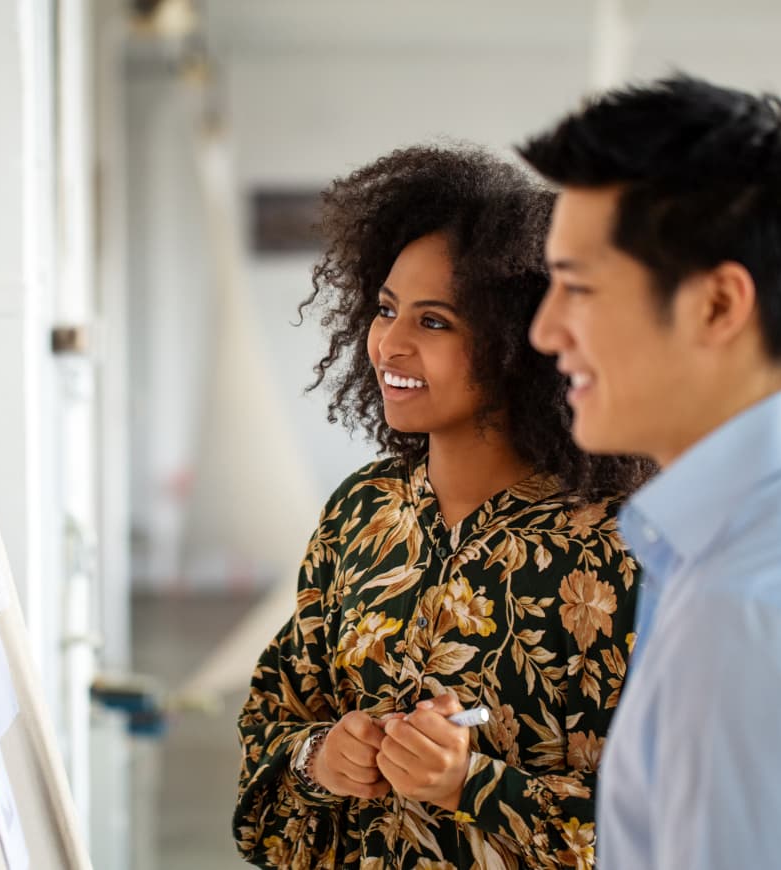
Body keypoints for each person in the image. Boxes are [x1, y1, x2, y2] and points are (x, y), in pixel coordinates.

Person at [233, 144, 653, 869]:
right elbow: (272, 718)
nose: (389, 343)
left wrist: (472, 782)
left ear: (521, 345)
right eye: (388, 309)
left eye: (433, 322)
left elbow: (686, 823)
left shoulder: (622, 547)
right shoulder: (364, 512)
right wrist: (319, 757)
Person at [519, 74, 781, 870]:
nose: (545, 331)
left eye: (577, 288)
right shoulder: (724, 543)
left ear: (718, 306)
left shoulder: (741, 605)